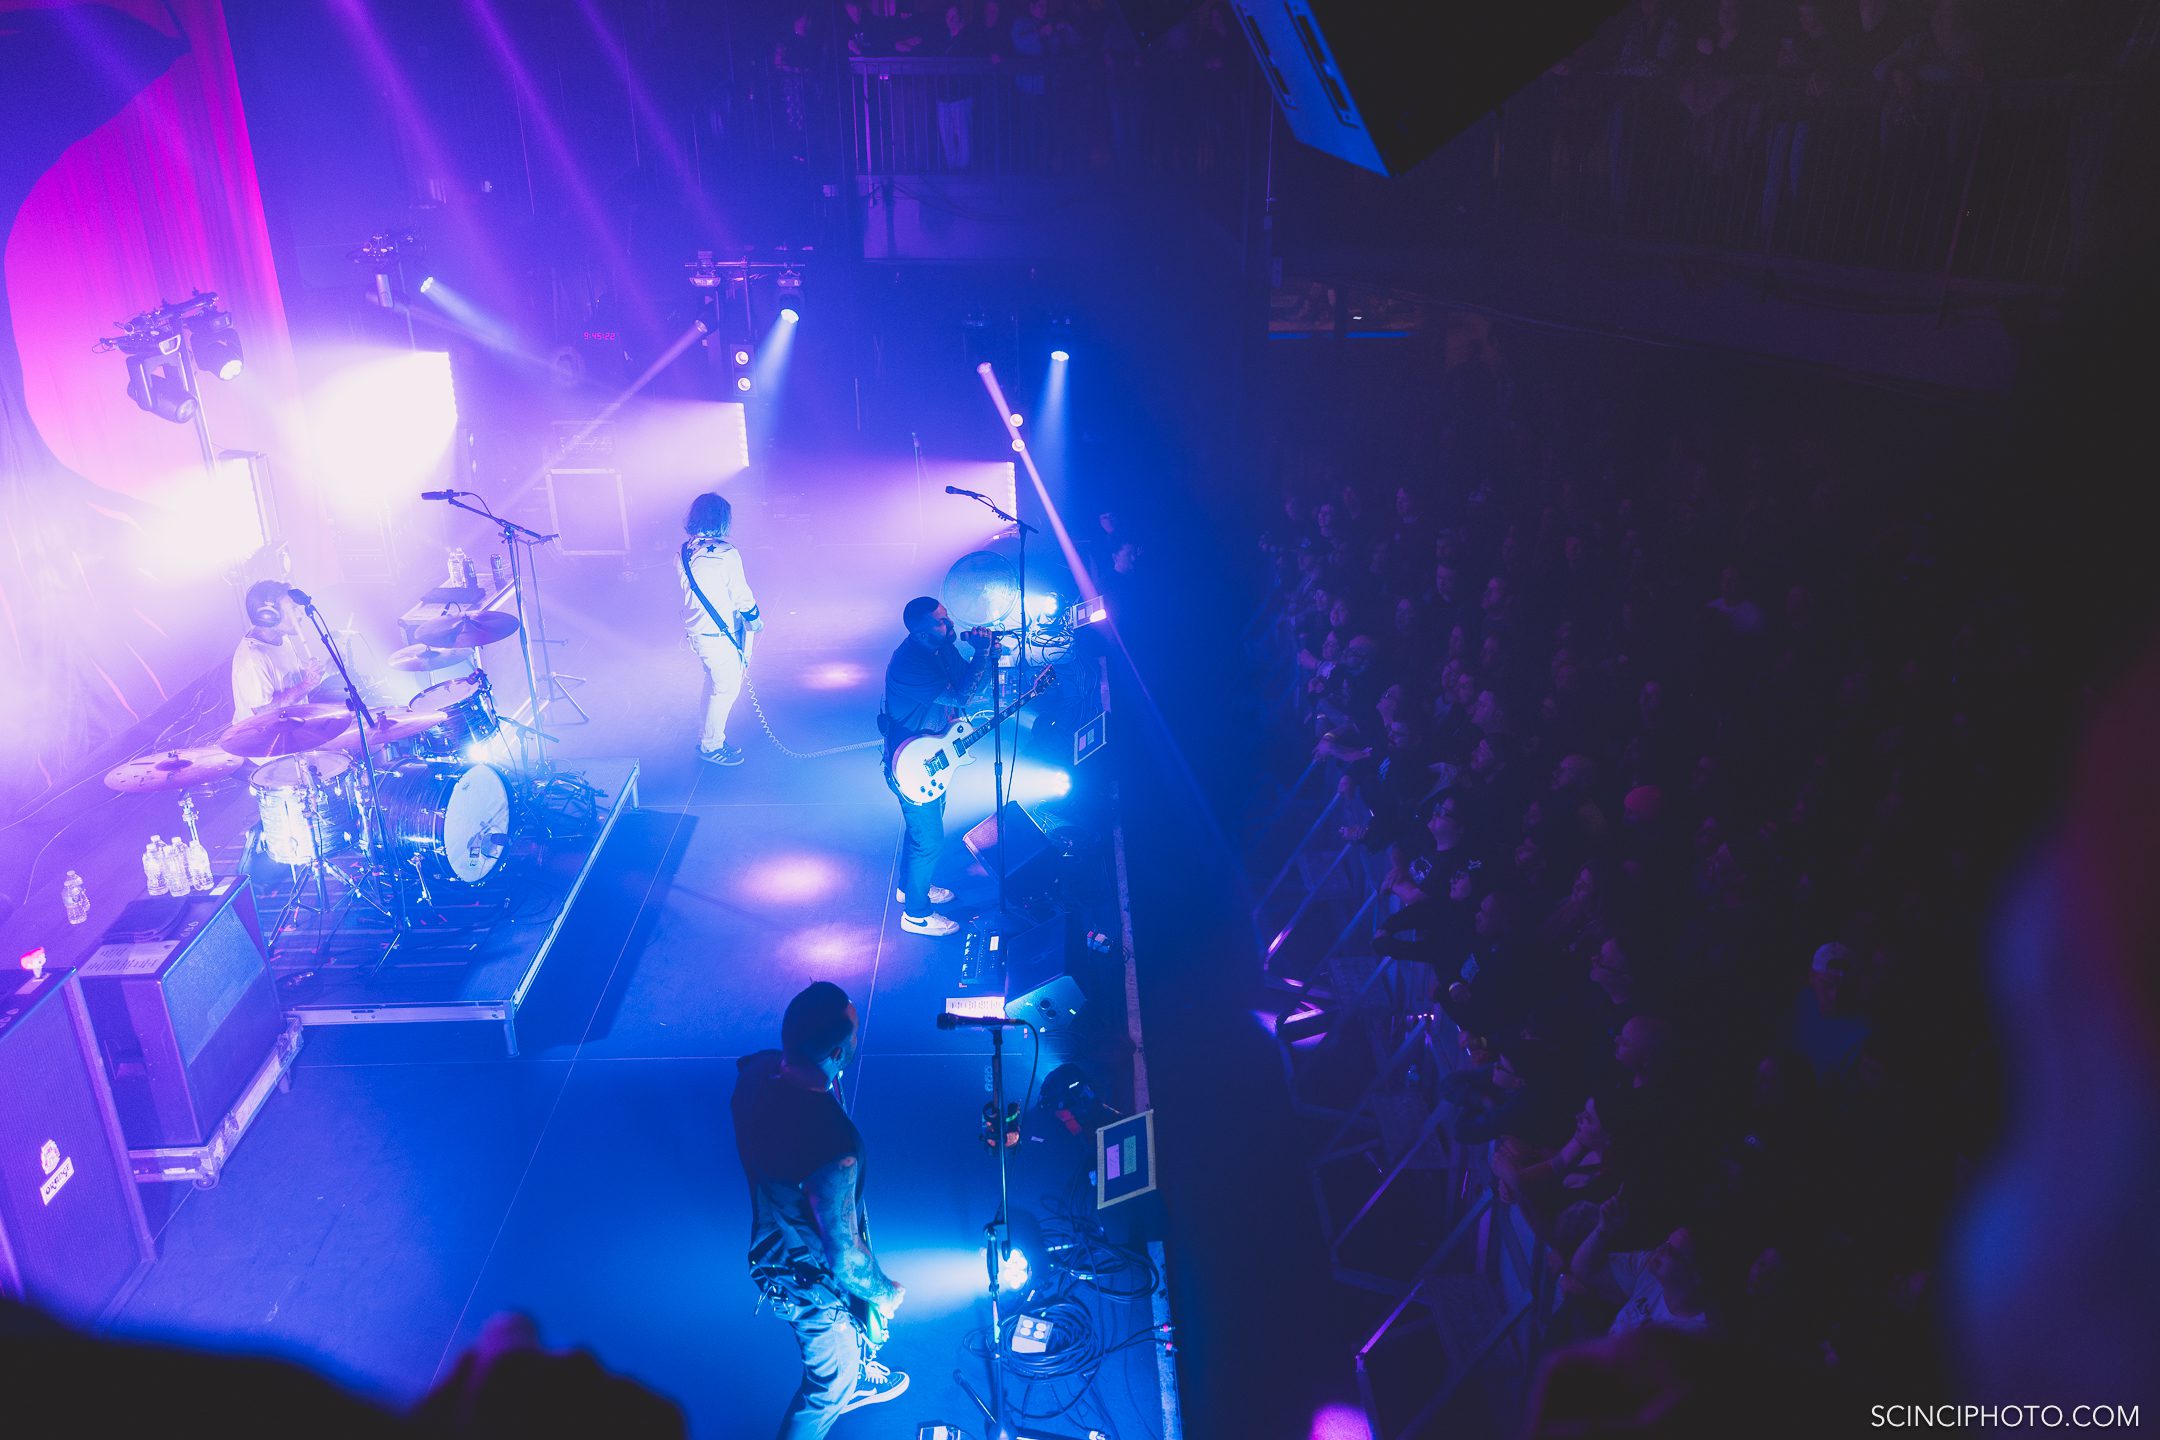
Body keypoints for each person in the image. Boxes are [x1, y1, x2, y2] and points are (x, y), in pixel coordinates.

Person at [732, 982, 910, 1438]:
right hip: (808, 1280)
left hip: (781, 1233)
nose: (857, 1039)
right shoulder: (834, 1147)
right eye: (854, 1034)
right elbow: (845, 1259)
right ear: (836, 1051)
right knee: (826, 1388)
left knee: (855, 1328)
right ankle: (845, 1383)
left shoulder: (757, 1073)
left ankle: (855, 1364)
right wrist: (886, 1294)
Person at [880, 597, 992, 936]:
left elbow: (969, 688)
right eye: (942, 622)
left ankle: (909, 888)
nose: (951, 625)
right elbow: (960, 698)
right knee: (928, 840)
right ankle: (915, 915)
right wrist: (983, 654)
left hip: (931, 754)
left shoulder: (940, 647)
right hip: (911, 764)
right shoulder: (909, 664)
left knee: (922, 834)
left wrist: (985, 656)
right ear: (923, 633)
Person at [681, 492, 761, 766]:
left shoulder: (684, 550)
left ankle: (709, 737)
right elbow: (740, 594)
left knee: (713, 685)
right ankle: (711, 745)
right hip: (720, 633)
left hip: (699, 632)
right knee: (725, 690)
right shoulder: (726, 553)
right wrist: (755, 618)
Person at [230, 579, 326, 724]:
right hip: (262, 739)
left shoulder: (283, 639)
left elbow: (289, 678)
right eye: (292, 609)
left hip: (291, 726)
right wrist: (307, 684)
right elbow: (262, 711)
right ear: (268, 616)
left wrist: (316, 672)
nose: (300, 615)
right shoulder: (254, 658)